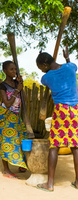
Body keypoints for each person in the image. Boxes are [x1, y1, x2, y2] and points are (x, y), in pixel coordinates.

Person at [36, 44, 78, 191]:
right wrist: (67, 58)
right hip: (75, 110)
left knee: (54, 146)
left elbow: (46, 78)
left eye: (40, 67)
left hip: (61, 110)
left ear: (45, 64)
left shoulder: (46, 77)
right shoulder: (71, 67)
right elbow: (69, 66)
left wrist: (47, 70)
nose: (41, 70)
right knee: (75, 146)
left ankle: (50, 184)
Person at [0, 60, 28, 179]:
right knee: (6, 142)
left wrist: (21, 85)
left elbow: (25, 99)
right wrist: (17, 90)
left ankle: (21, 164)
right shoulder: (3, 85)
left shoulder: (17, 83)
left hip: (15, 117)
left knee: (21, 139)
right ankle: (6, 170)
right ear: (5, 71)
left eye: (15, 69)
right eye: (11, 69)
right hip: (5, 116)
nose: (14, 71)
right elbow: (7, 104)